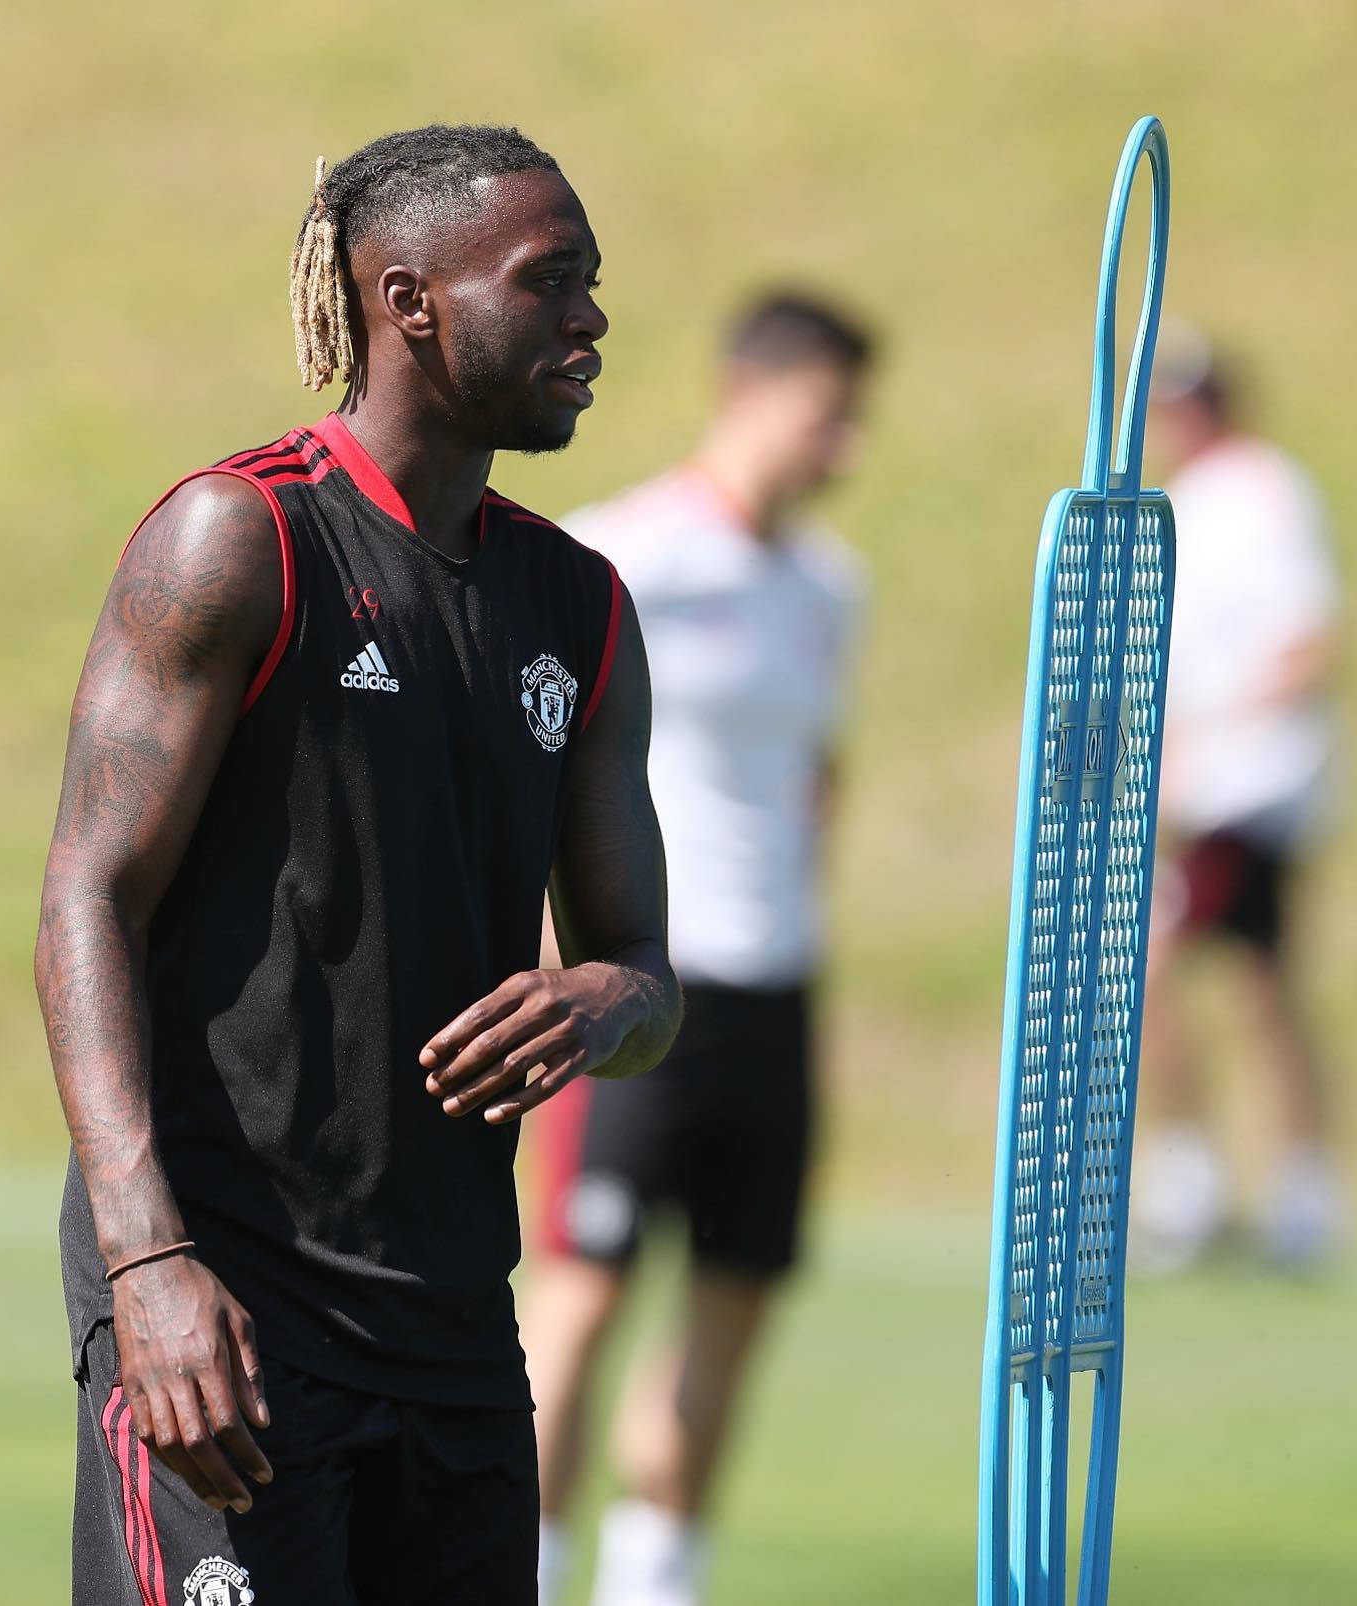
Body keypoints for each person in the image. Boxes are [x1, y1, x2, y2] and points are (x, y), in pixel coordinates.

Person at [34, 124, 682, 1606]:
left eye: (593, 282)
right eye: (551, 281)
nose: (591, 320)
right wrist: (147, 1267)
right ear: (409, 303)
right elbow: (88, 895)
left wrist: (601, 1002)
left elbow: (647, 976)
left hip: (455, 1332)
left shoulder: (579, 606)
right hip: (228, 1312)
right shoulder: (236, 538)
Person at [522, 293, 874, 1606]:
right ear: (751, 389)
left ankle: (654, 1584)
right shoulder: (619, 555)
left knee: (734, 1303)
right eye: (829, 413)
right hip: (636, 991)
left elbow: (819, 776)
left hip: (776, 991)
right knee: (584, 1295)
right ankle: (531, 1573)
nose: (845, 447)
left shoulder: (831, 588)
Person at [1133, 325, 1343, 1272]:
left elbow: (1305, 639)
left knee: (1170, 973)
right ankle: (1275, 1185)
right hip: (1201, 785)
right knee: (1257, 986)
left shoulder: (1265, 491)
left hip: (1248, 785)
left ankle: (1210, 1184)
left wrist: (1213, 733)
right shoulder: (1190, 500)